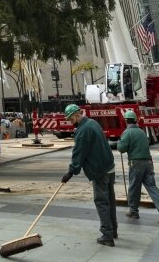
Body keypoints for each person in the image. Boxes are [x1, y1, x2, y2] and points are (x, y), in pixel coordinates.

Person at [60, 104, 117, 247]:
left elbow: (79, 153)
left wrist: (71, 172)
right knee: (110, 201)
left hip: (99, 171)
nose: (70, 122)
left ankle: (107, 235)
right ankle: (113, 230)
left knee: (102, 202)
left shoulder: (83, 130)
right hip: (109, 167)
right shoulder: (93, 123)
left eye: (71, 119)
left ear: (77, 115)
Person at [117, 110, 159, 225]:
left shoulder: (127, 132)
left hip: (136, 163)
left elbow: (121, 149)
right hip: (148, 162)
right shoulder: (141, 132)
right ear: (135, 120)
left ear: (126, 121)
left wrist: (119, 141)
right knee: (152, 187)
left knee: (134, 187)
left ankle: (133, 210)